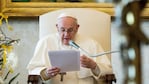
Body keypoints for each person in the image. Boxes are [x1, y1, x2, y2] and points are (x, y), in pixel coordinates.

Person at [27, 13, 113, 84]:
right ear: (57, 27)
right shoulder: (45, 42)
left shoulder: (91, 43)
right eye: (62, 30)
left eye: (70, 30)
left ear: (77, 28)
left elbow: (108, 71)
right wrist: (46, 73)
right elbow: (33, 70)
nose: (66, 34)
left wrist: (94, 66)